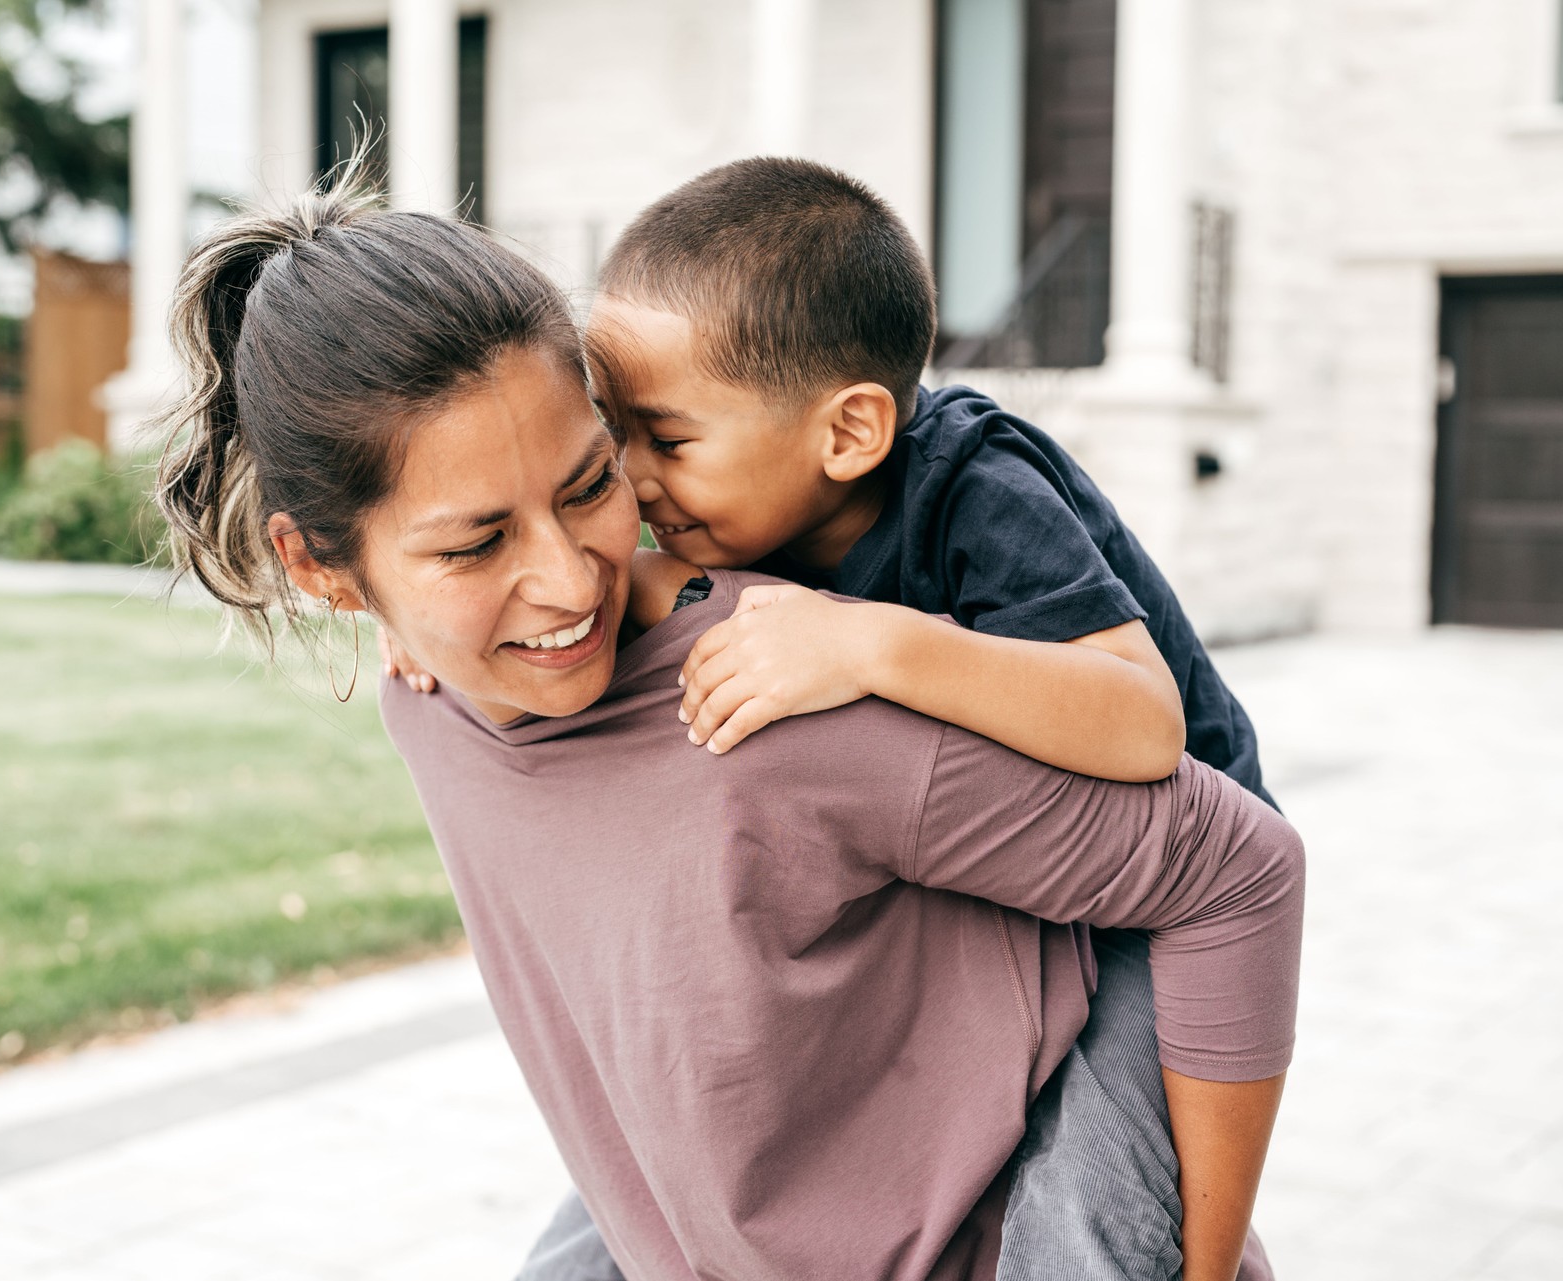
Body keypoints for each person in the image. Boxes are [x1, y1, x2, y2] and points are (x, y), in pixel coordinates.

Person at [154, 180, 1301, 1280]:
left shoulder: (909, 556)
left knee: (1090, 1235)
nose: (576, 577)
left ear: (846, 433)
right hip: (794, 1153)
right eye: (471, 545)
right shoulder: (442, 690)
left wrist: (872, 643)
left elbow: (1177, 777)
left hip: (1153, 863)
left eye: (594, 480)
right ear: (326, 567)